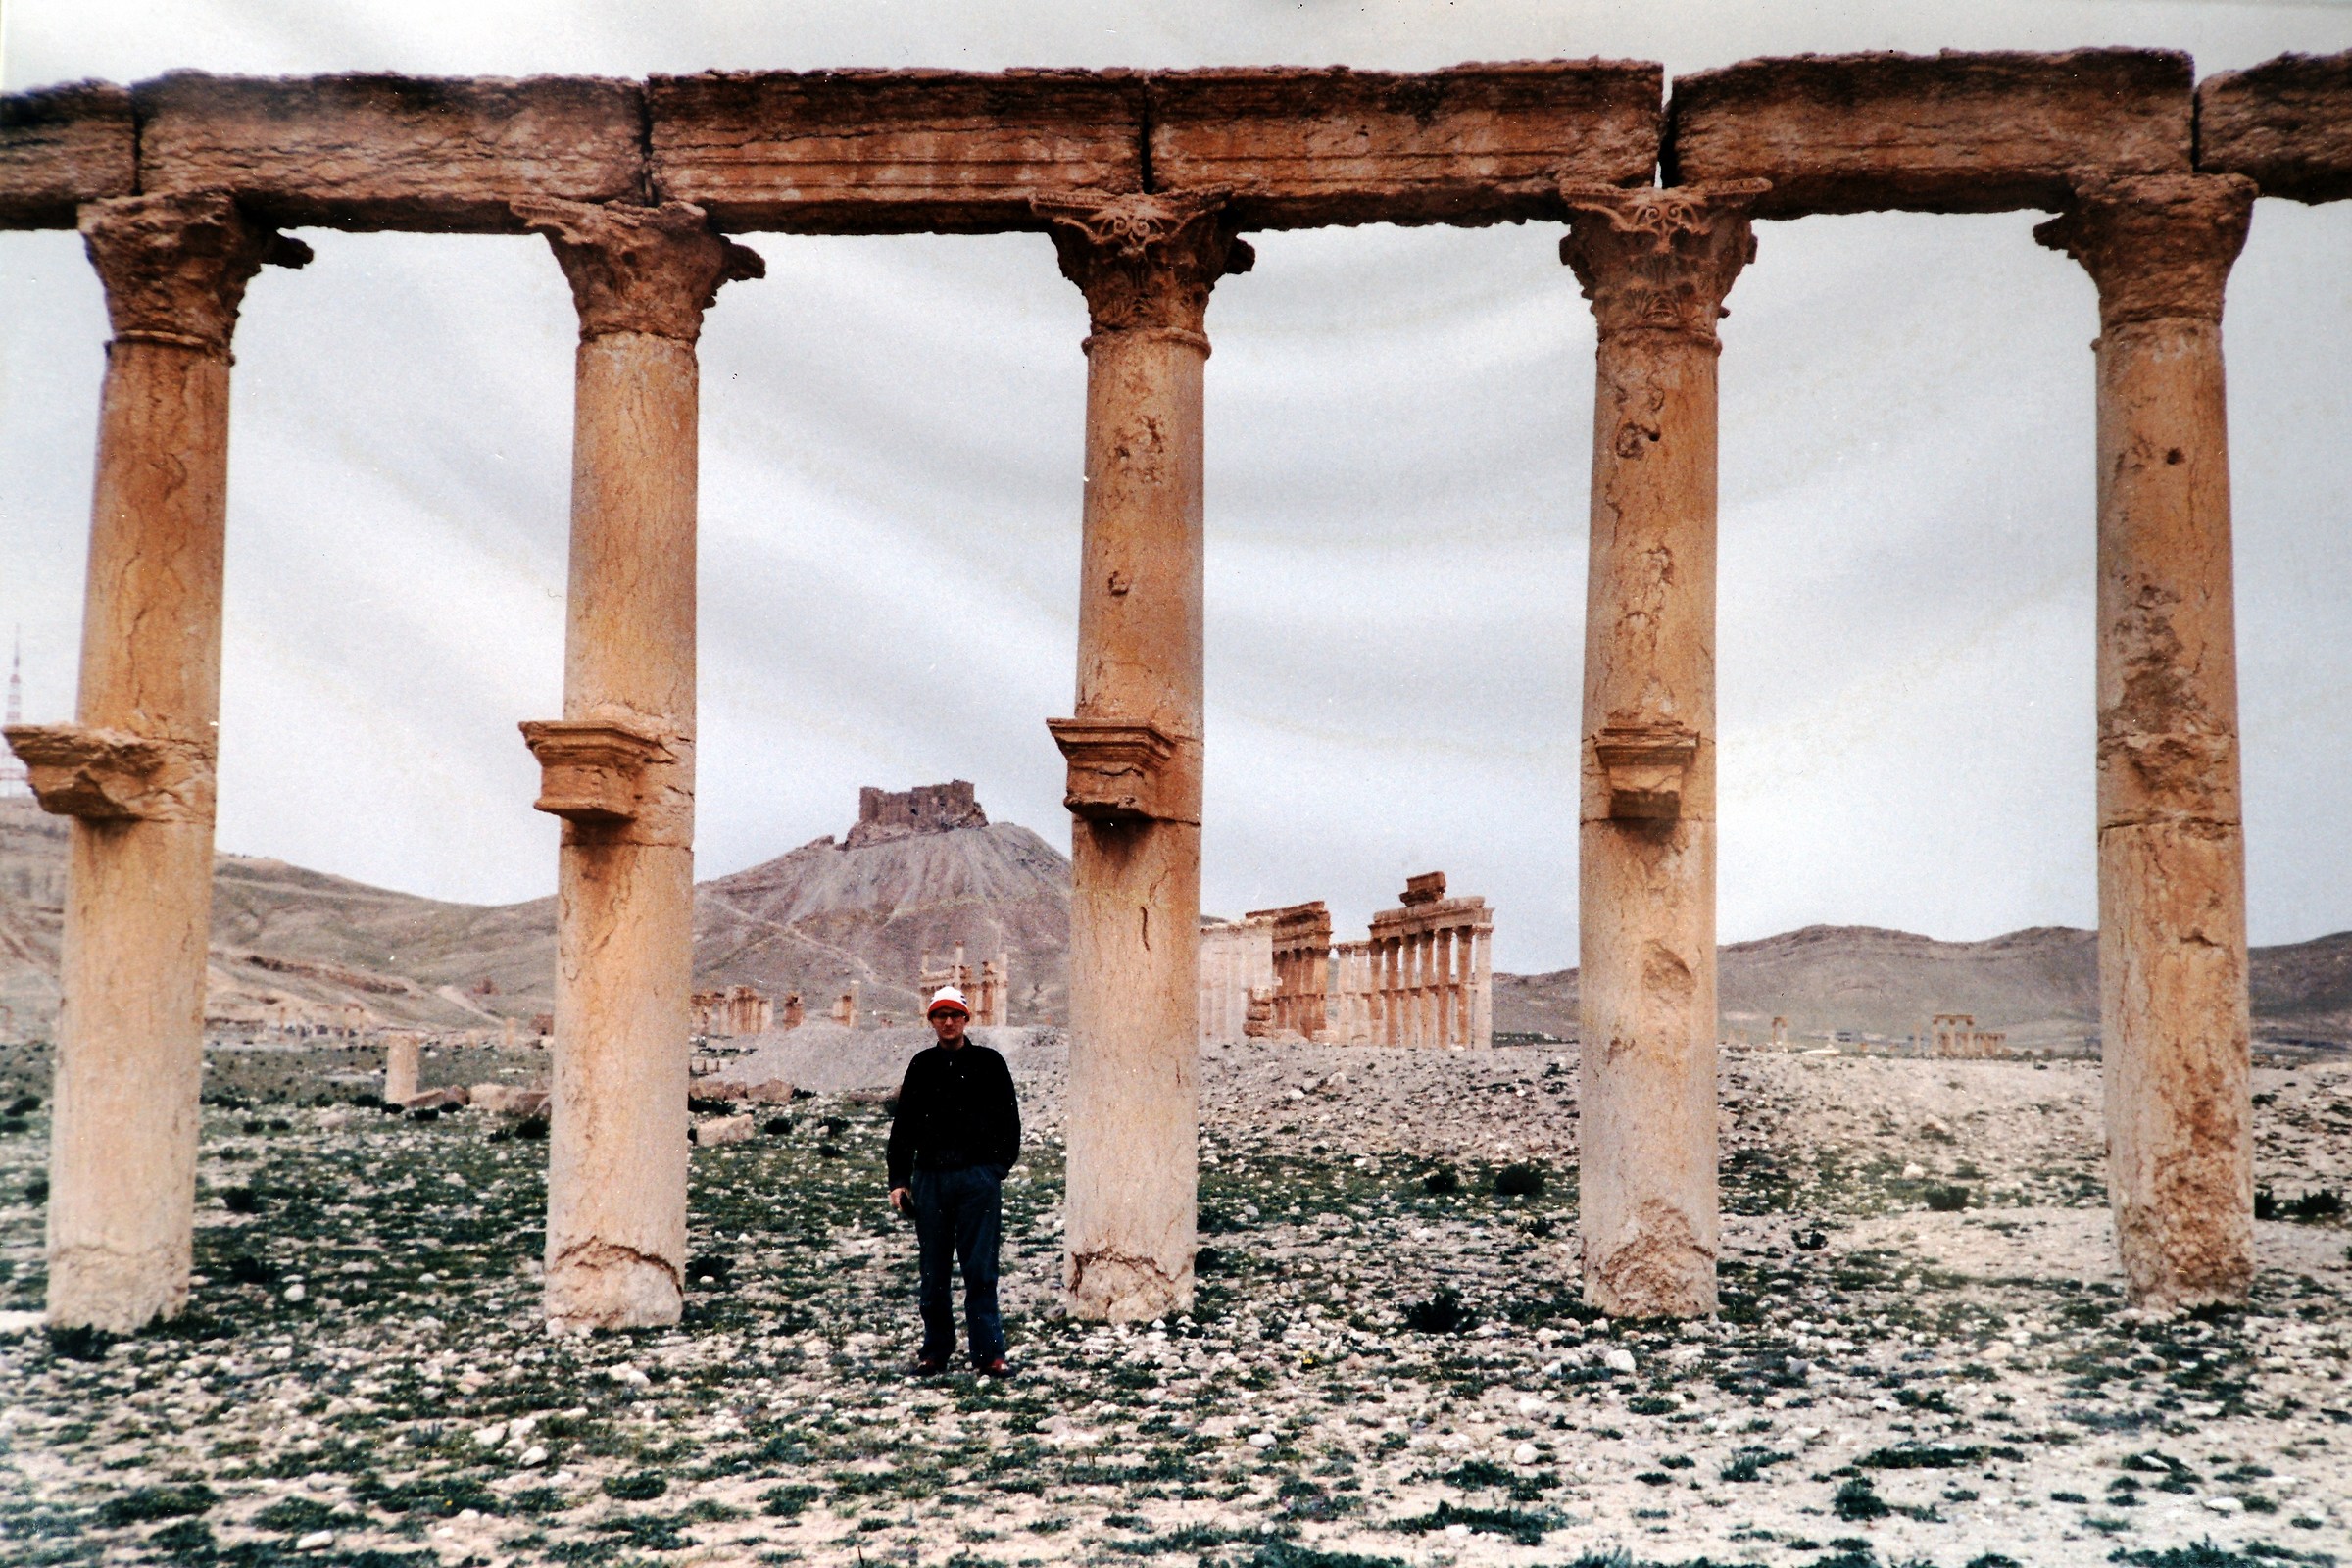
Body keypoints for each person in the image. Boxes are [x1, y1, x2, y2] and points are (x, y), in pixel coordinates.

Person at [886, 985, 1021, 1376]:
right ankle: (935, 1350)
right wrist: (899, 1179)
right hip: (930, 1179)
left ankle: (990, 1354)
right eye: (939, 1016)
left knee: (980, 1268)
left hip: (976, 1178)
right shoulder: (921, 1065)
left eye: (954, 1015)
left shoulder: (990, 1063)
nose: (947, 1022)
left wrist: (995, 1171)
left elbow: (1009, 1123)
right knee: (934, 1269)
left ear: (966, 1019)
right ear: (931, 1021)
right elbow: (904, 1127)